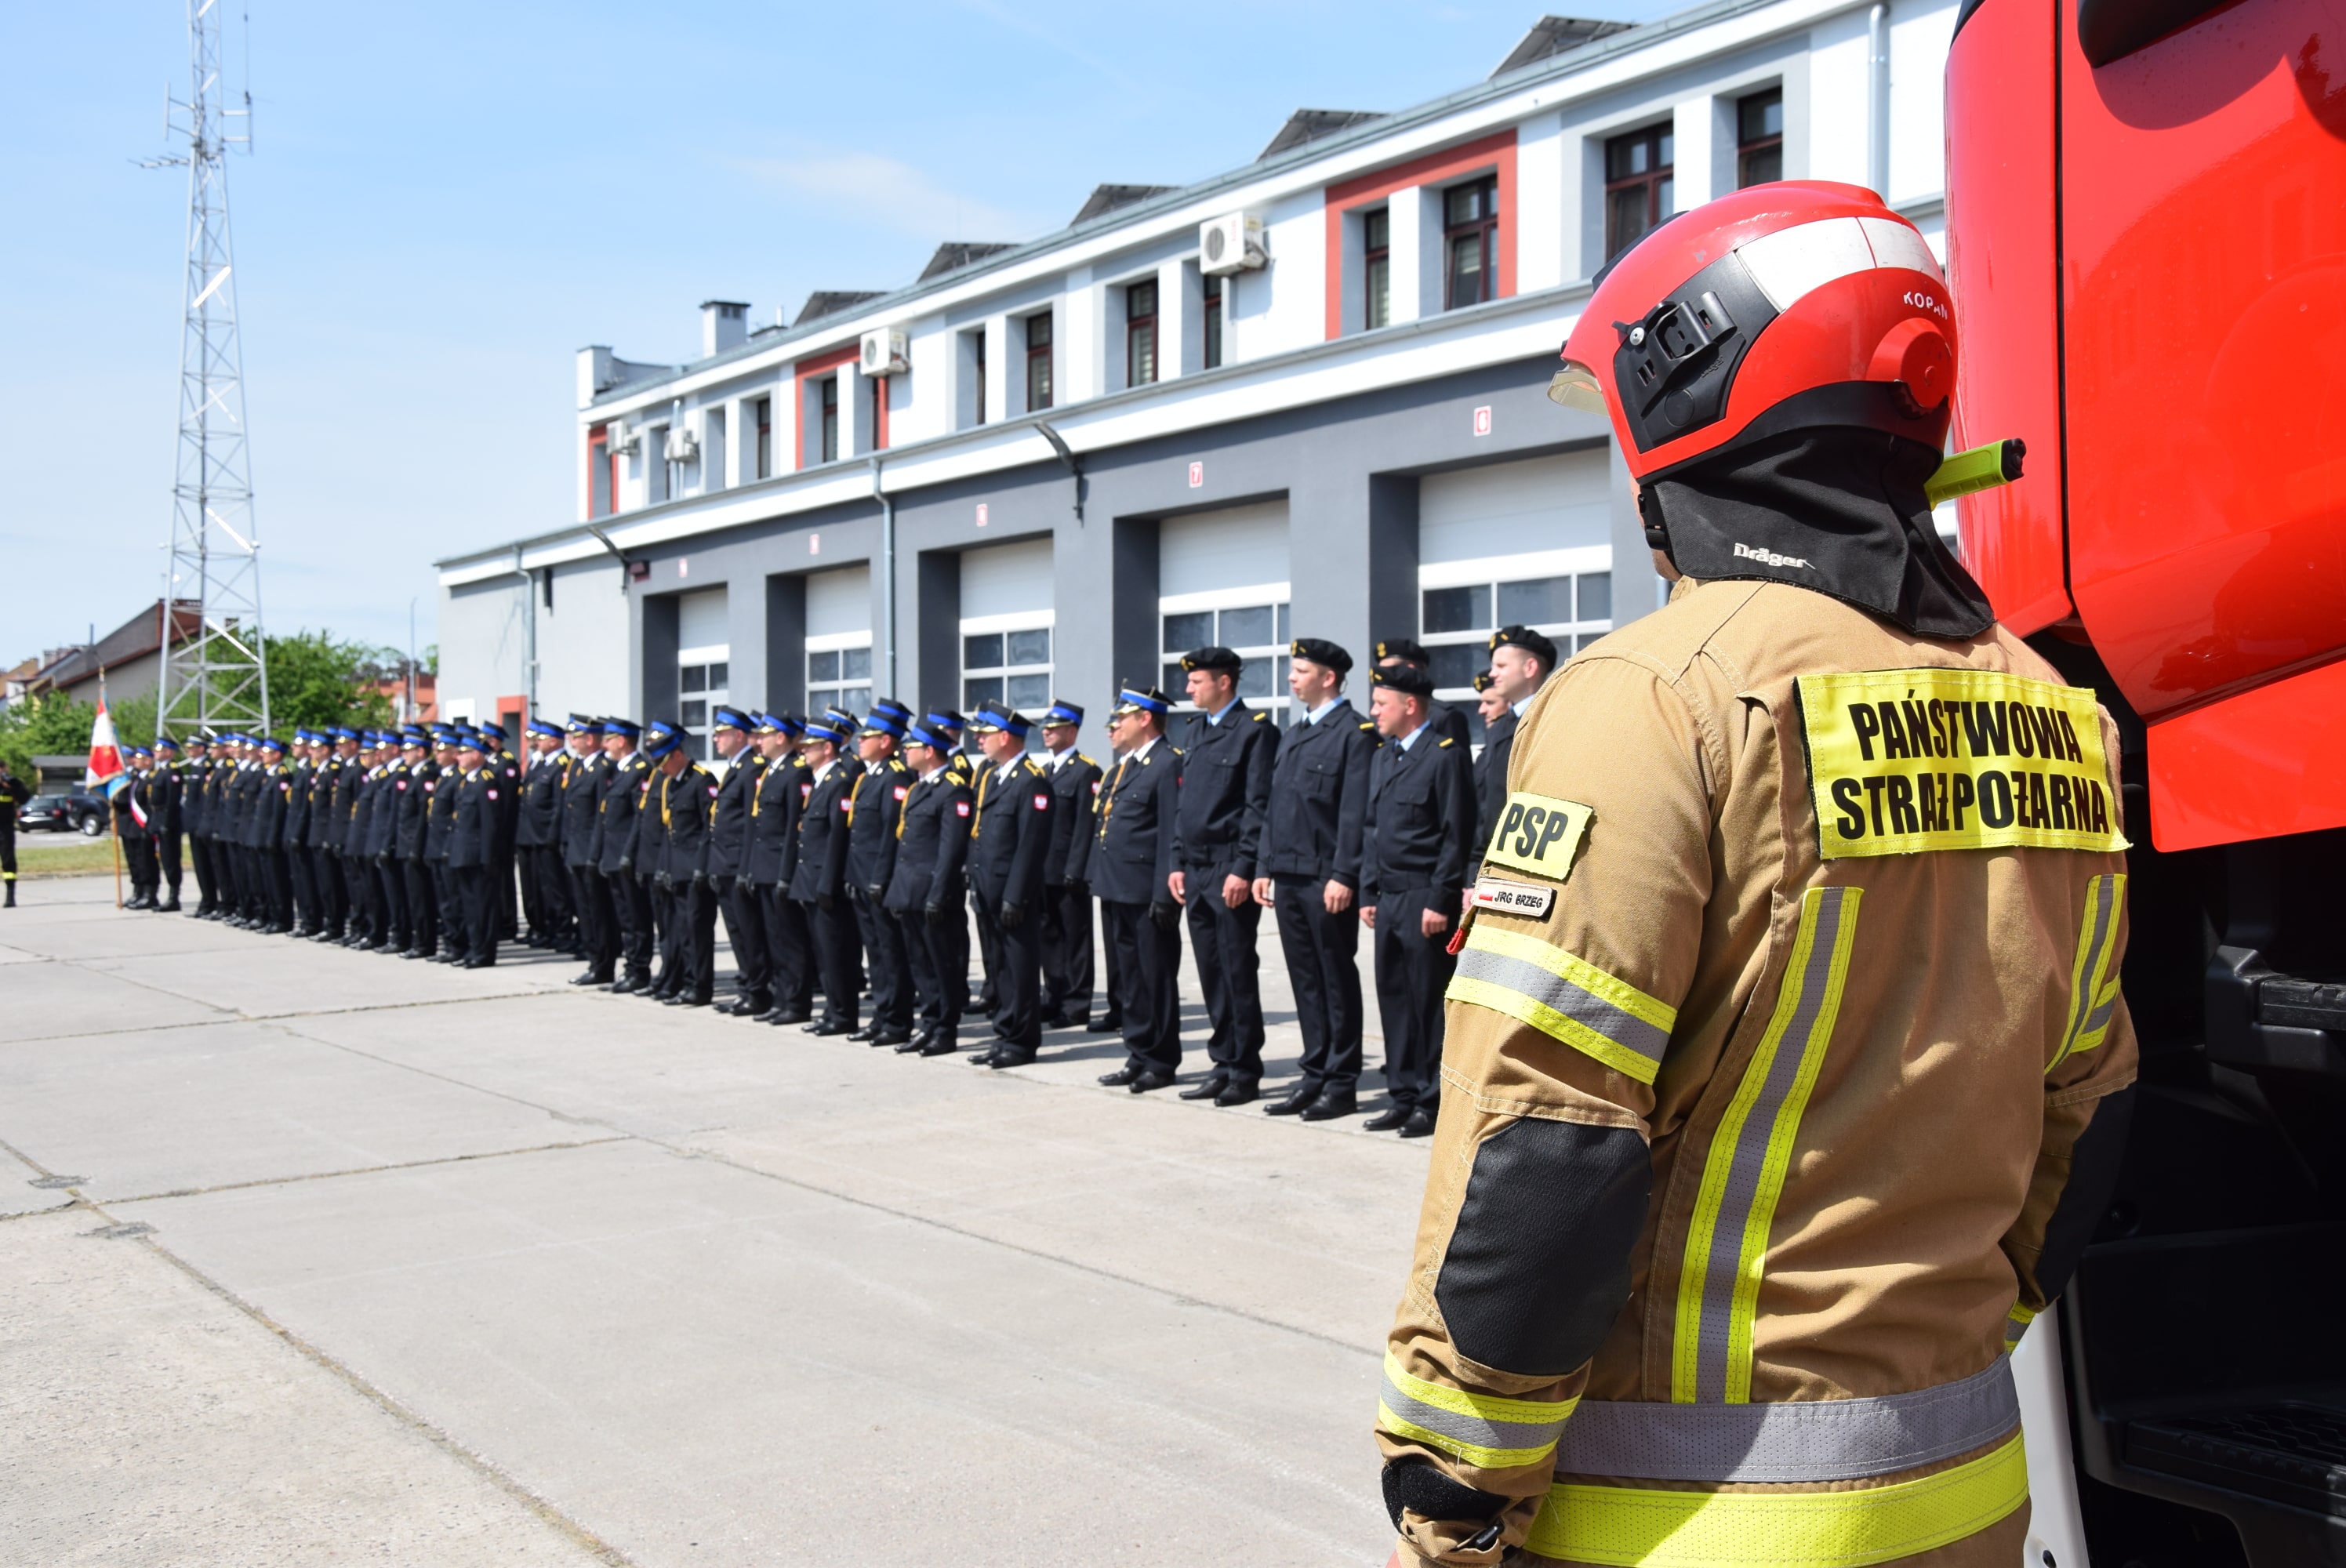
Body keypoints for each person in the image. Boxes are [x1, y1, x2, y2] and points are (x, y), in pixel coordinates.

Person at [1373, 184, 2137, 1568]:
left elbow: (1549, 1138)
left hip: (1684, 1515)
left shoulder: (1654, 693)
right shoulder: (2051, 709)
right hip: (1964, 1484)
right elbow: (2086, 1111)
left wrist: (1454, 1489)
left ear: (1686, 393)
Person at [1255, 638, 1378, 1120]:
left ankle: (1340, 1082)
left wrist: (1345, 874)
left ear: (1328, 678)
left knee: (1334, 978)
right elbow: (1275, 808)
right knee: (1305, 979)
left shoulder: (1354, 733)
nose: (1291, 677)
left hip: (1326, 881)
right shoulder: (1294, 734)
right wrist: (1264, 866)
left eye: (1300, 670)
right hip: (1288, 875)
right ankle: (1314, 1073)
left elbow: (1354, 814)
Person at [1359, 662, 1474, 1138]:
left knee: (1428, 1002)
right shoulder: (1384, 757)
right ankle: (1402, 1094)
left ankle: (1431, 1100)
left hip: (1424, 896)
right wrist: (1368, 889)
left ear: (1410, 705)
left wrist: (1441, 898)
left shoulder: (1444, 756)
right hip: (1388, 896)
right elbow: (1373, 829)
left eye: (1380, 703)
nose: (1373, 711)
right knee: (1394, 998)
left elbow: (1455, 833)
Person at [1166, 647, 1279, 1105]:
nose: (1189, 688)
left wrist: (1244, 867)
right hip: (1195, 869)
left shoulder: (1254, 731)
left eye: (1197, 681)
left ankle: (1244, 1070)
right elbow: (1185, 804)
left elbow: (1257, 805)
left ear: (1224, 682)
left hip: (1228, 868)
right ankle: (1222, 1061)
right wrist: (1176, 860)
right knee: (1211, 972)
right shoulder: (1196, 731)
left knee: (1236, 970)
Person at [1089, 685, 1184, 1093]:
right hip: (1117, 886)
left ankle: (1160, 1061)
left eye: (1122, 718)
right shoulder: (1125, 766)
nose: (1116, 725)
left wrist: (1164, 893)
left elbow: (1170, 833)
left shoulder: (1167, 762)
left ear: (1145, 719)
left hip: (1147, 892)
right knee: (1129, 979)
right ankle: (1138, 1052)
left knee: (1154, 978)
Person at [964, 701, 1055, 1066]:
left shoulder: (1031, 780)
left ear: (1005, 737)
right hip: (990, 890)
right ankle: (1004, 1033)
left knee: (1020, 969)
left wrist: (1015, 897)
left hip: (1014, 896)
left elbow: (1030, 846)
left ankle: (1021, 1041)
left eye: (985, 734)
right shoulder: (993, 776)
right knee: (999, 967)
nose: (979, 740)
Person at [885, 721, 973, 1056]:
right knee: (920, 965)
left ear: (930, 751)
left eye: (912, 747)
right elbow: (907, 845)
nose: (905, 751)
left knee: (942, 965)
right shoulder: (918, 788)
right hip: (910, 891)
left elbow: (951, 850)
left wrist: (939, 894)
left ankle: (945, 1030)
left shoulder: (953, 790)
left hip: (934, 894)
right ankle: (929, 1024)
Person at [1466, 625, 1558, 888]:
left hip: (1534, 870)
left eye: (1501, 666)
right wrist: (1473, 872)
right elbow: (1487, 808)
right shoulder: (1501, 728)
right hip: (1494, 867)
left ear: (1530, 668)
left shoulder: (1552, 719)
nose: (1492, 674)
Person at [845, 707, 915, 1046]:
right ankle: (882, 1015)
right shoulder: (870, 775)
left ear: (886, 741)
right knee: (874, 952)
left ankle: (897, 1021)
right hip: (862, 877)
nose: (860, 741)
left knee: (891, 953)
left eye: (868, 737)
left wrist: (880, 878)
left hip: (880, 880)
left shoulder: (896, 777)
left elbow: (891, 833)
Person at [790, 712, 861, 1035]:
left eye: (811, 745)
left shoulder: (839, 782)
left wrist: (828, 884)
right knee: (822, 951)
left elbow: (837, 838)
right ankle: (832, 1011)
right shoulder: (820, 781)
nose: (804, 749)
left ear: (828, 748)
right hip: (810, 880)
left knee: (835, 953)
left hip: (825, 883)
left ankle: (843, 1014)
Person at [744, 713, 814, 1025]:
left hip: (781, 869)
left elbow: (791, 829)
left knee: (790, 940)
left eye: (765, 736)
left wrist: (786, 874)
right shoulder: (771, 771)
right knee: (774, 939)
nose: (759, 741)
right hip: (764, 867)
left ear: (781, 737)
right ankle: (782, 998)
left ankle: (797, 1003)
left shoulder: (796, 773)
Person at [1034, 701, 1101, 1029]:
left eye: (1054, 727)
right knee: (1048, 937)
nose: (1046, 732)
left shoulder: (1086, 771)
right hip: (1045, 869)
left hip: (1069, 871)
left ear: (1071, 731)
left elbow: (1086, 826)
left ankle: (1076, 1004)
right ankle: (1053, 996)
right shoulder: (1044, 771)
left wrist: (1077, 869)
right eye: (1045, 727)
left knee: (1075, 939)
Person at [645, 720, 718, 1007]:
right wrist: (663, 867)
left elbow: (708, 830)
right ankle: (685, 982)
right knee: (679, 932)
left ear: (677, 755)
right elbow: (669, 832)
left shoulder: (702, 780)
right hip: (675, 870)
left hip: (694, 872)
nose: (660, 769)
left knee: (697, 933)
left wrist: (701, 868)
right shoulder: (670, 784)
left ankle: (700, 986)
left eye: (663, 762)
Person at [705, 707, 767, 1016]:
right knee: (737, 933)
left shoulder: (752, 768)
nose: (716, 739)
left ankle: (757, 992)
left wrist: (745, 868)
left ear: (739, 735)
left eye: (721, 733)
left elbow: (751, 825)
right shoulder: (735, 768)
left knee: (749, 933)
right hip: (724, 863)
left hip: (739, 864)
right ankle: (747, 988)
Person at [595, 719, 655, 993]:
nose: (604, 744)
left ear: (622, 741)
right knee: (625, 918)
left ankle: (639, 970)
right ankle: (630, 968)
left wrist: (628, 855)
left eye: (609, 739)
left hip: (627, 858)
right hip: (613, 855)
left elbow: (638, 819)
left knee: (636, 917)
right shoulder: (619, 771)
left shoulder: (640, 770)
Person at [561, 718, 614, 983]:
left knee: (598, 913)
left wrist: (595, 853)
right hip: (576, 851)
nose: (571, 741)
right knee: (584, 912)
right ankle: (593, 960)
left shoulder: (603, 769)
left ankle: (603, 965)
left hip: (592, 853)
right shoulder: (578, 767)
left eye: (576, 737)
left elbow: (601, 816)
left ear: (590, 739)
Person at [444, 731, 500, 968]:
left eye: (463, 753)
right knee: (469, 906)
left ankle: (483, 953)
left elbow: (490, 824)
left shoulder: (486, 781)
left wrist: (488, 857)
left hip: (478, 856)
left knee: (482, 907)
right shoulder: (467, 781)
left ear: (476, 754)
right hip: (463, 854)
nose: (458, 757)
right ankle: (473, 948)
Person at [517, 718, 568, 946]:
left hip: (546, 837)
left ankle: (561, 931)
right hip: (531, 835)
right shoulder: (541, 763)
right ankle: (542, 928)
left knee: (554, 888)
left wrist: (552, 836)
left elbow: (558, 805)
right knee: (536, 888)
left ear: (554, 741)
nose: (537, 741)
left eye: (542, 738)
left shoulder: (562, 765)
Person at [1370, 639, 1473, 748]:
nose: (1384, 677)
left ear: (1410, 669)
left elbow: (1454, 757)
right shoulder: (1384, 749)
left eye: (1391, 671)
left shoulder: (1444, 717)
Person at [118, 747, 159, 909]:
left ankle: (150, 894)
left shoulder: (151, 779)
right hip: (131, 827)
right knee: (134, 861)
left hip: (143, 827)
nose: (135, 760)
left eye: (138, 758)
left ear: (148, 761)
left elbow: (150, 805)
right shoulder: (135, 778)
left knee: (146, 862)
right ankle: (138, 891)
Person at [150, 736, 186, 912]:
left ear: (169, 752)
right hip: (159, 818)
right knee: (164, 859)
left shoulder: (173, 771)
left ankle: (174, 897)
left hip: (169, 821)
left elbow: (172, 800)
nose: (155, 753)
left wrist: (166, 822)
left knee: (171, 860)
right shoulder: (161, 771)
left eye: (159, 750)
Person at [0, 756, 29, 908]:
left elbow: (25, 798)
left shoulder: (12, 782)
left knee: (8, 861)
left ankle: (10, 896)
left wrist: (9, 787)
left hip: (5, 828)